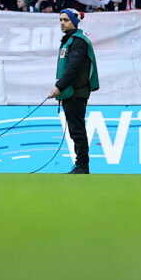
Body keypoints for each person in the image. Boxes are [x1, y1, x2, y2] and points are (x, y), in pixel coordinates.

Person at [47, 9, 99, 173]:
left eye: (66, 20)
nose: (62, 23)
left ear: (74, 22)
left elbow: (73, 67)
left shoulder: (78, 41)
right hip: (72, 92)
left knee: (77, 130)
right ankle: (80, 165)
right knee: (75, 130)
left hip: (76, 91)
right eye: (60, 20)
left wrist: (59, 86)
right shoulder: (71, 40)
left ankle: (82, 165)